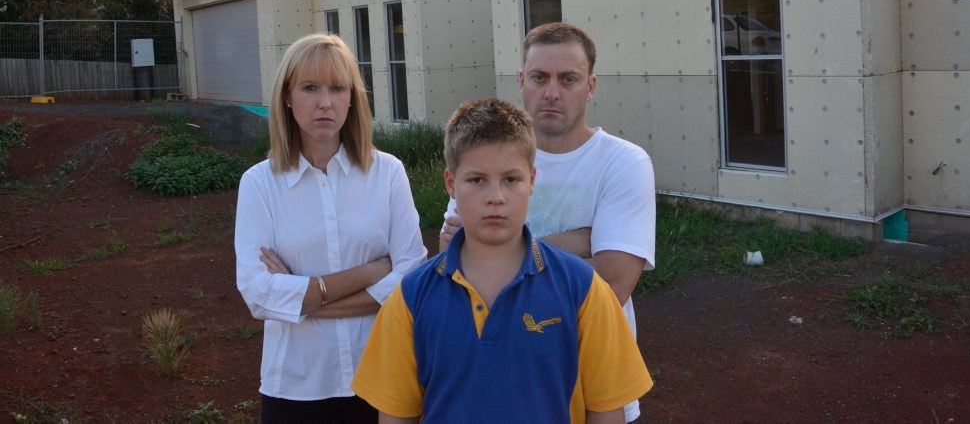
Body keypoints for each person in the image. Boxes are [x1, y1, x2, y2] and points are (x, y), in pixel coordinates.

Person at [353, 98, 653, 423]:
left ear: (532, 180)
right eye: (477, 180)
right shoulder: (412, 298)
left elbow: (607, 412)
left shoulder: (583, 290)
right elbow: (397, 416)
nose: (495, 196)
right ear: (451, 184)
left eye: (511, 179)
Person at [439, 21, 656, 422]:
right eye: (540, 77)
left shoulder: (623, 163)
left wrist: (495, 249)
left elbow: (613, 283)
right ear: (522, 81)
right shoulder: (489, 152)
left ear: (590, 86)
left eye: (568, 79)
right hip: (492, 381)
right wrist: (579, 242)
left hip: (594, 387)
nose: (552, 92)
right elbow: (451, 263)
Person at [234, 32, 427, 423]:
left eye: (337, 88)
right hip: (295, 385)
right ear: (287, 97)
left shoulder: (387, 173)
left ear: (352, 97)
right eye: (310, 88)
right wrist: (372, 271)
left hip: (382, 377)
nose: (325, 102)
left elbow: (411, 278)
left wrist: (304, 302)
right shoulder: (260, 183)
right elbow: (258, 294)